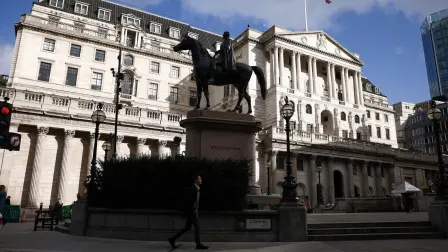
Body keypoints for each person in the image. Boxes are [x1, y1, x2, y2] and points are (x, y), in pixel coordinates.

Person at [168, 175, 208, 250]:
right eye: (199, 179)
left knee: (187, 227)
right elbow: (188, 201)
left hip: (192, 211)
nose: (201, 180)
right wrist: (192, 210)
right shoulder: (192, 189)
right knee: (197, 227)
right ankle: (198, 244)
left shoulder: (196, 188)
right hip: (192, 211)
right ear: (196, 180)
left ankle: (172, 239)